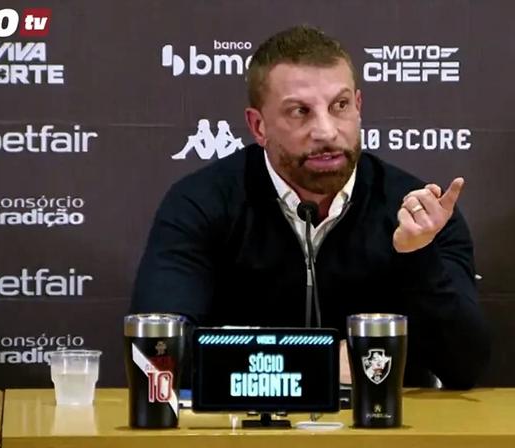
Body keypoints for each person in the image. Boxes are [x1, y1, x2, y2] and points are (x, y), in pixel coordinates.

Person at [131, 25, 490, 389]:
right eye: (300, 111)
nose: (326, 131)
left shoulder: (416, 212)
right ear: (258, 126)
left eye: (340, 106)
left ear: (359, 106)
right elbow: (158, 354)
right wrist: (318, 362)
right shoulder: (200, 202)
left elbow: (465, 366)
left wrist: (418, 257)